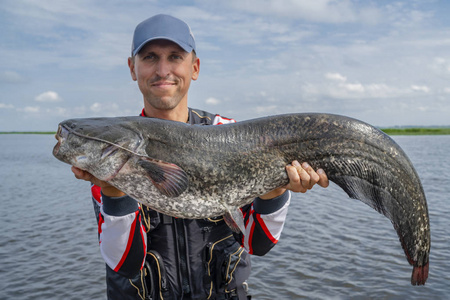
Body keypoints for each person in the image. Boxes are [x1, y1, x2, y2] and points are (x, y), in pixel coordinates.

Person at [72, 14, 329, 300]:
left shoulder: (230, 133)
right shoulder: (115, 149)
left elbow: (257, 243)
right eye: (149, 57)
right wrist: (113, 191)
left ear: (194, 67)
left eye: (174, 57)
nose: (162, 69)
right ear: (133, 68)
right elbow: (125, 263)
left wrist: (276, 189)